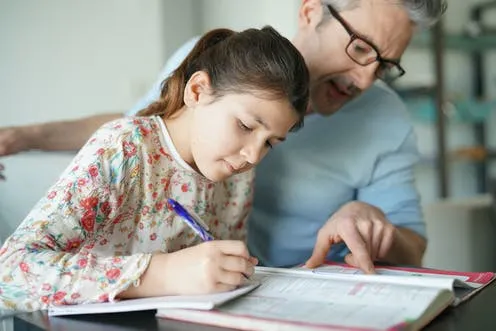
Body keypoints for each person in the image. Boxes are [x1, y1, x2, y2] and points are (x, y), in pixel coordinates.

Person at [0, 0, 447, 273]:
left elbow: (414, 246)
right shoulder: (212, 62)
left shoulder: (386, 118)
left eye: (386, 64)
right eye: (362, 48)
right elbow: (142, 134)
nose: (368, 79)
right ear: (311, 12)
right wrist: (21, 137)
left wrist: (373, 221)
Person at [0, 26, 309, 311]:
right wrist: (160, 274)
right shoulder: (124, 149)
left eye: (270, 143)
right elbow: (10, 273)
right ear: (198, 91)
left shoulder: (238, 175)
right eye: (244, 125)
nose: (253, 155)